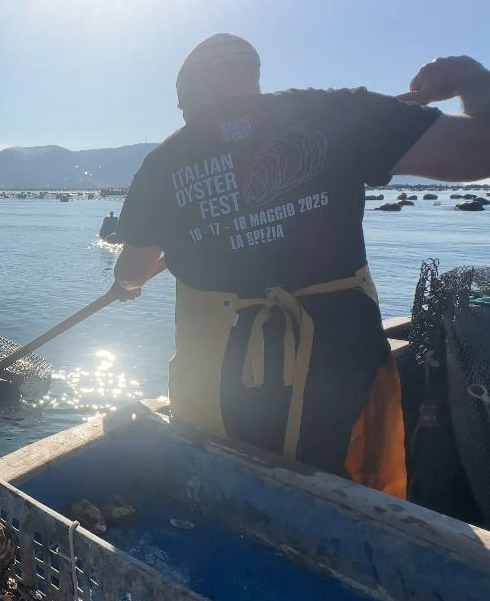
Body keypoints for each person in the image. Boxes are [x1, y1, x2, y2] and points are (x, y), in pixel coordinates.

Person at [112, 34, 490, 498]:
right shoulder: (335, 113)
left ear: (187, 93)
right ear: (251, 75)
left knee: (222, 498)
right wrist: (470, 77)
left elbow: (131, 271)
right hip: (339, 379)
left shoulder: (162, 164)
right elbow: (482, 147)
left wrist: (129, 282)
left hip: (218, 392)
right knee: (351, 505)